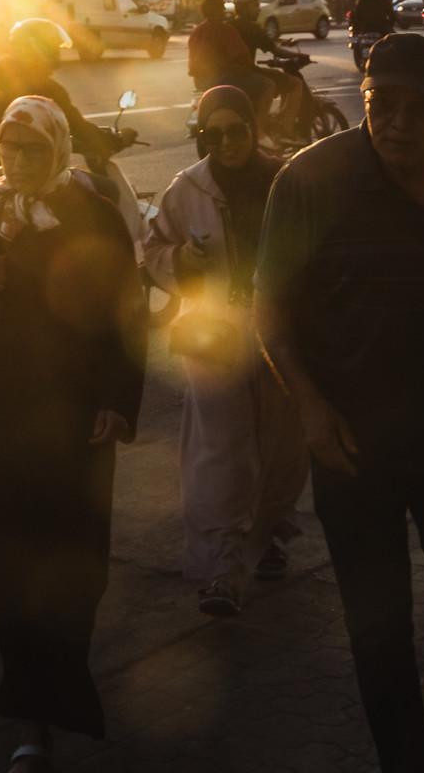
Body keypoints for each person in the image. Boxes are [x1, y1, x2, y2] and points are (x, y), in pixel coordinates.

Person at [256, 34, 424, 773]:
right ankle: (405, 759)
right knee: (378, 625)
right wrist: (308, 409)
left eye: (415, 108)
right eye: (377, 105)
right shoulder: (310, 181)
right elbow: (268, 309)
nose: (394, 122)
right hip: (350, 443)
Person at [0, 96, 144, 767]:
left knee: (80, 567)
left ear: (56, 149)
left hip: (78, 423)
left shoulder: (91, 213)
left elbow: (126, 317)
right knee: (15, 570)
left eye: (31, 150)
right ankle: (31, 721)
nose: (16, 161)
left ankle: (59, 681)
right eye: (7, 147)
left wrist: (117, 400)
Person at [144, 83, 306, 617]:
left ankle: (268, 536)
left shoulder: (285, 179)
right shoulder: (187, 188)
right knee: (221, 450)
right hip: (213, 334)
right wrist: (183, 261)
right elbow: (153, 250)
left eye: (236, 131)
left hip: (278, 333)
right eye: (212, 134)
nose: (226, 143)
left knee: (280, 446)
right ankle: (222, 566)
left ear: (251, 129)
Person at [0, 19, 118, 172]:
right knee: (108, 189)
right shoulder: (48, 90)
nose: (57, 53)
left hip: (0, 171)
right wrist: (111, 140)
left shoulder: (3, 81)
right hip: (35, 175)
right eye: (53, 47)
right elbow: (75, 124)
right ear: (37, 47)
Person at [230, 0, 304, 140]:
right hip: (248, 73)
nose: (258, 9)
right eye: (255, 5)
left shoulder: (229, 26)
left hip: (232, 74)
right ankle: (284, 129)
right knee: (295, 84)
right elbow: (276, 50)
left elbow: (267, 43)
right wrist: (299, 55)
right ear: (244, 7)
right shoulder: (252, 28)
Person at [186, 0, 255, 101]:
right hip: (223, 79)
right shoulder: (225, 29)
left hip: (199, 81)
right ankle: (259, 116)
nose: (224, 11)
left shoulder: (197, 31)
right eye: (222, 8)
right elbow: (241, 55)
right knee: (266, 84)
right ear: (217, 10)